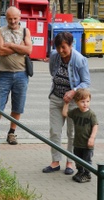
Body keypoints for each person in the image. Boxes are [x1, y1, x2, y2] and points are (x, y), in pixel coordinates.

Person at [42, 32, 90, 175]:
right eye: (58, 47)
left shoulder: (80, 60)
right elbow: (53, 73)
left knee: (72, 133)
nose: (61, 51)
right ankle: (55, 161)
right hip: (56, 98)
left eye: (64, 47)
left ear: (70, 45)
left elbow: (86, 81)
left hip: (74, 103)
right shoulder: (54, 56)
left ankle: (70, 162)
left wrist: (73, 91)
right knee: (55, 131)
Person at [0, 6, 32, 145]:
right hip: (5, 74)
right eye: (10, 18)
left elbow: (29, 50)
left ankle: (12, 133)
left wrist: (10, 45)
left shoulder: (25, 31)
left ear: (19, 18)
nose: (13, 21)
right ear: (6, 18)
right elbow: (0, 51)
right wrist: (19, 48)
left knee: (18, 106)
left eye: (15, 18)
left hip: (21, 74)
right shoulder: (0, 31)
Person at [62, 88, 98, 182]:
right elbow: (65, 113)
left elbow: (95, 126)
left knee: (87, 160)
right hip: (77, 142)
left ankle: (87, 174)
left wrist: (92, 138)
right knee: (78, 159)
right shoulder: (75, 112)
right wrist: (66, 103)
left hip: (87, 144)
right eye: (82, 101)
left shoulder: (91, 114)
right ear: (76, 102)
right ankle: (80, 172)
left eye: (87, 101)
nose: (85, 104)